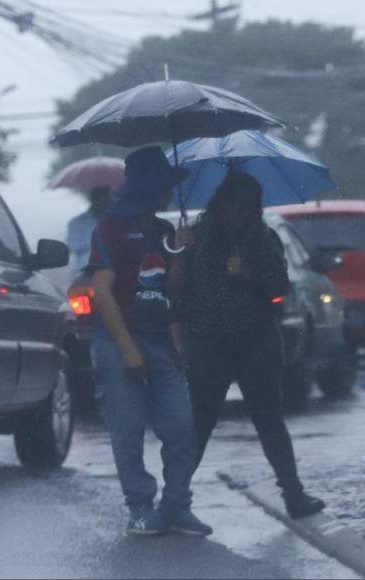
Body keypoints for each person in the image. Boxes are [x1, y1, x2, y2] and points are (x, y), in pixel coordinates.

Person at [171, 172, 326, 519]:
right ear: (220, 204)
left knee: (269, 419)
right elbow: (177, 292)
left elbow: (280, 288)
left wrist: (248, 274)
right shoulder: (195, 238)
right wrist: (181, 253)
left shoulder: (265, 239)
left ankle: (294, 494)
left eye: (248, 207)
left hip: (257, 342)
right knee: (200, 422)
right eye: (234, 205)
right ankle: (174, 497)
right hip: (208, 343)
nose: (240, 214)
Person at [88, 146, 212, 536]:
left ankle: (176, 506)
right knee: (127, 430)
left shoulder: (164, 231)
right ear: (151, 187)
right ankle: (140, 507)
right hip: (117, 340)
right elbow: (102, 291)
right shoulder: (108, 228)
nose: (171, 193)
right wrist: (125, 347)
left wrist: (184, 255)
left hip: (161, 341)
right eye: (165, 186)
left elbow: (171, 288)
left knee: (181, 427)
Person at [67, 186, 112, 274]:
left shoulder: (121, 219)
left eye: (105, 197)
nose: (102, 201)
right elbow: (72, 245)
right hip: (85, 271)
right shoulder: (77, 223)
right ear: (92, 199)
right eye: (98, 198)